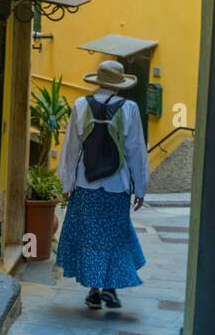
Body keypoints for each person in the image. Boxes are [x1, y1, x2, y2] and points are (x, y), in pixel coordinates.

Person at [55, 59, 150, 310]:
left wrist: (67, 182)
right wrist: (139, 188)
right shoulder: (130, 108)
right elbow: (136, 151)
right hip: (117, 185)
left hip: (87, 184)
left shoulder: (80, 105)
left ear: (97, 81)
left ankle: (94, 290)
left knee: (90, 237)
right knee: (115, 236)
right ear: (119, 84)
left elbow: (71, 148)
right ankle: (110, 288)